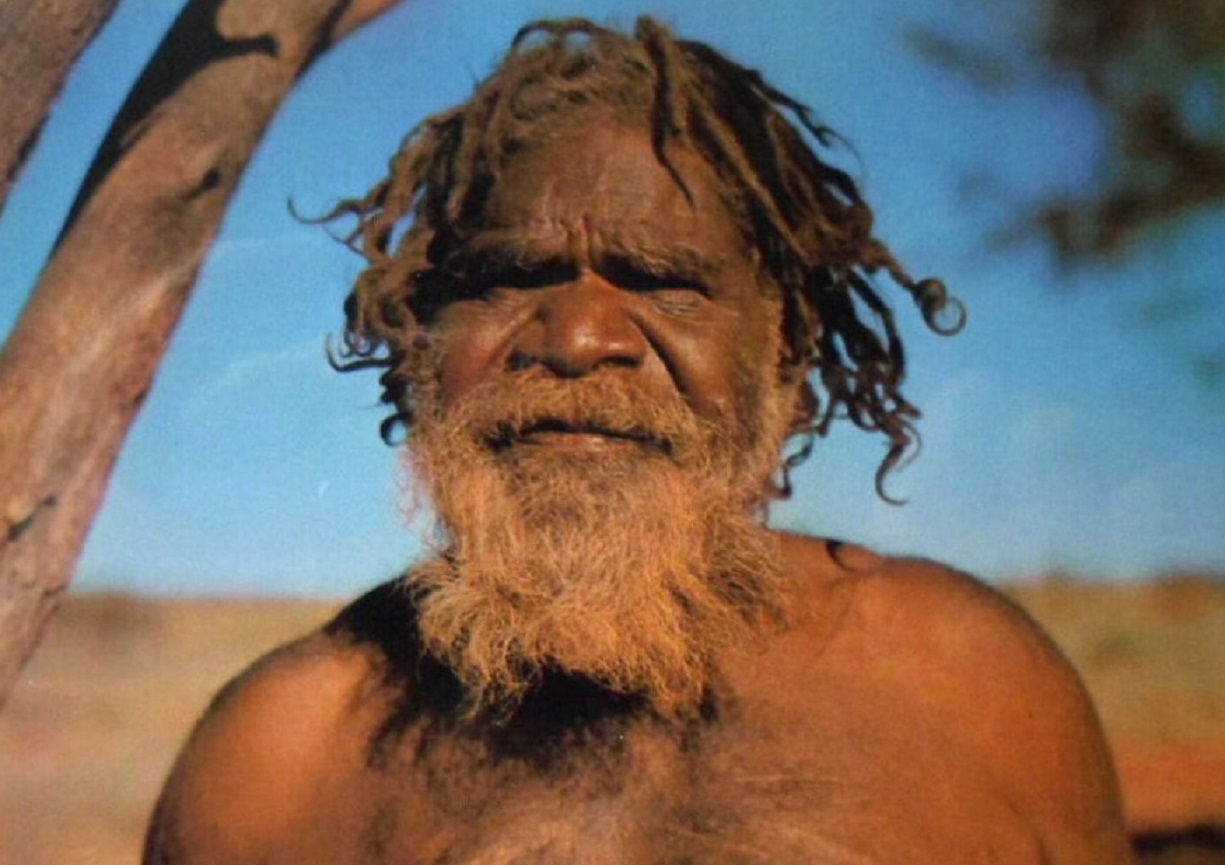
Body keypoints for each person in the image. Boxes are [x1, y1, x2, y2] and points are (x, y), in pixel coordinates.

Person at [143, 18, 1134, 865]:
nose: (577, 340)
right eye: (507, 279)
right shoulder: (279, 764)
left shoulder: (976, 688)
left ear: (782, 347)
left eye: (664, 283)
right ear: (419, 341)